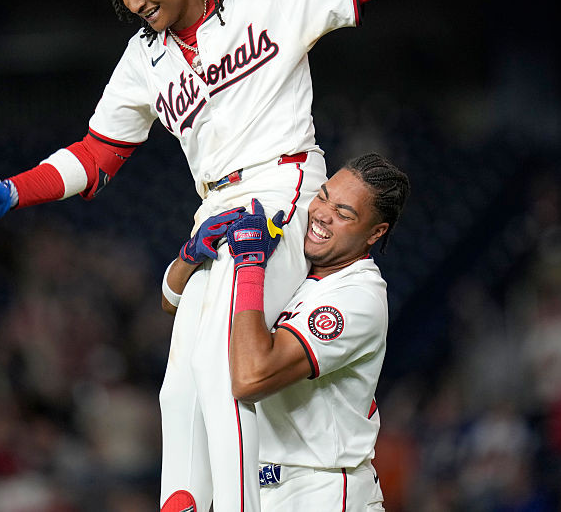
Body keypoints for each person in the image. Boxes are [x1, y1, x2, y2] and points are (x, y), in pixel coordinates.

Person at [0, 0, 426, 511]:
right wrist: (17, 189)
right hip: (213, 211)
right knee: (179, 386)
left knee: (224, 373)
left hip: (284, 187)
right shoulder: (143, 59)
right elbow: (96, 156)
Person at [163, 153, 410, 509]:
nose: (323, 214)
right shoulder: (299, 259)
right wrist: (190, 256)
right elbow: (172, 303)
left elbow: (250, 379)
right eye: (323, 196)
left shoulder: (358, 296)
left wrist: (248, 268)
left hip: (323, 489)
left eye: (343, 213)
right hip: (264, 486)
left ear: (376, 232)